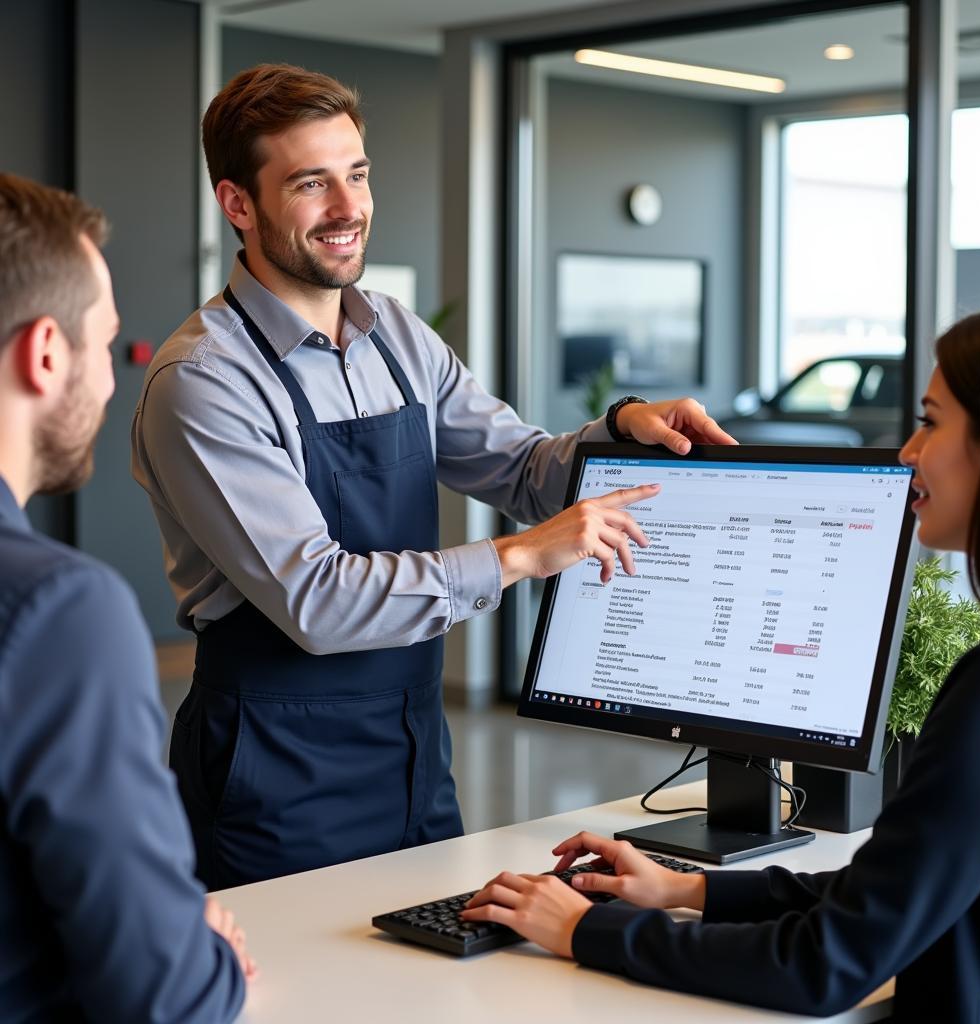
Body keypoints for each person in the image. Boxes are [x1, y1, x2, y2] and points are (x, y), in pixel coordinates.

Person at [130, 62, 734, 891]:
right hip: (271, 769)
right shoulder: (204, 381)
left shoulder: (398, 339)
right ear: (239, 204)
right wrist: (519, 558)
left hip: (413, 747)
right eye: (313, 184)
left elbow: (522, 468)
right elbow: (317, 599)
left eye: (359, 174)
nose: (349, 209)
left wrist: (620, 429)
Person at [463, 302, 980, 1021]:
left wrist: (583, 929)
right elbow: (890, 896)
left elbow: (826, 963)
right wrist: (686, 891)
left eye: (931, 421)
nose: (908, 452)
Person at [0, 173, 254, 1022]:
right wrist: (200, 946)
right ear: (43, 354)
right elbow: (164, 999)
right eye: (105, 349)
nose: (113, 385)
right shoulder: (58, 613)